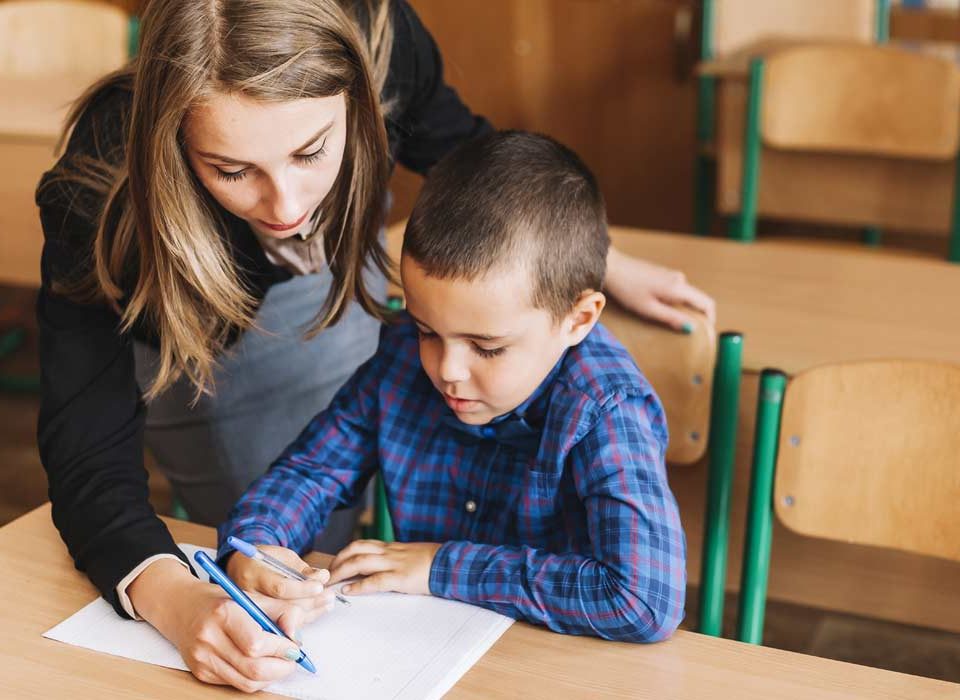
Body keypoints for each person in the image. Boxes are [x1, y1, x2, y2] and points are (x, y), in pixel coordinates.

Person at [36, 0, 708, 691]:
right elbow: (285, 472)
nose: (291, 210)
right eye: (232, 169)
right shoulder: (403, 357)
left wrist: (599, 261)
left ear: (362, 100)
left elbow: (482, 175)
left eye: (310, 151)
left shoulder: (600, 405)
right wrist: (248, 554)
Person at [220, 130, 686, 648]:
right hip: (424, 651)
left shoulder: (606, 409)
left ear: (578, 319)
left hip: (553, 663)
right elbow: (312, 472)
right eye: (427, 330)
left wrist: (440, 566)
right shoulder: (402, 360)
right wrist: (255, 546)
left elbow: (642, 600)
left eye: (487, 348)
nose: (448, 370)